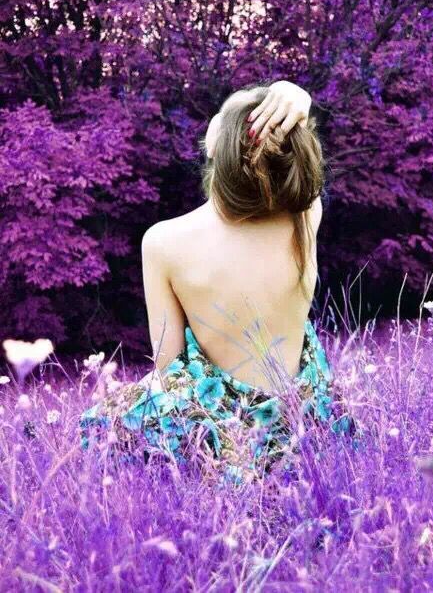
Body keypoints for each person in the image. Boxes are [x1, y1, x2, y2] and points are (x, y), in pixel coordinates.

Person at [80, 80, 356, 483]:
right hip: (305, 421)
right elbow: (303, 168)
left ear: (215, 144)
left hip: (226, 435)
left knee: (100, 423)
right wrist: (298, 98)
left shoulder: (164, 241)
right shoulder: (304, 217)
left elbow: (170, 369)